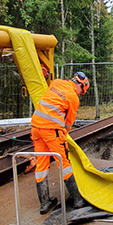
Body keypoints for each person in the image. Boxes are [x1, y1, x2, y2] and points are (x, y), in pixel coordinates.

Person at [30, 71, 90, 214]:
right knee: (64, 163)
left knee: (42, 164)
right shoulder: (73, 98)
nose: (80, 94)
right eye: (82, 91)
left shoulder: (56, 82)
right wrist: (64, 136)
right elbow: (68, 124)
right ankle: (78, 200)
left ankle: (44, 203)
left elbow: (51, 101)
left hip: (36, 128)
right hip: (52, 131)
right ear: (80, 86)